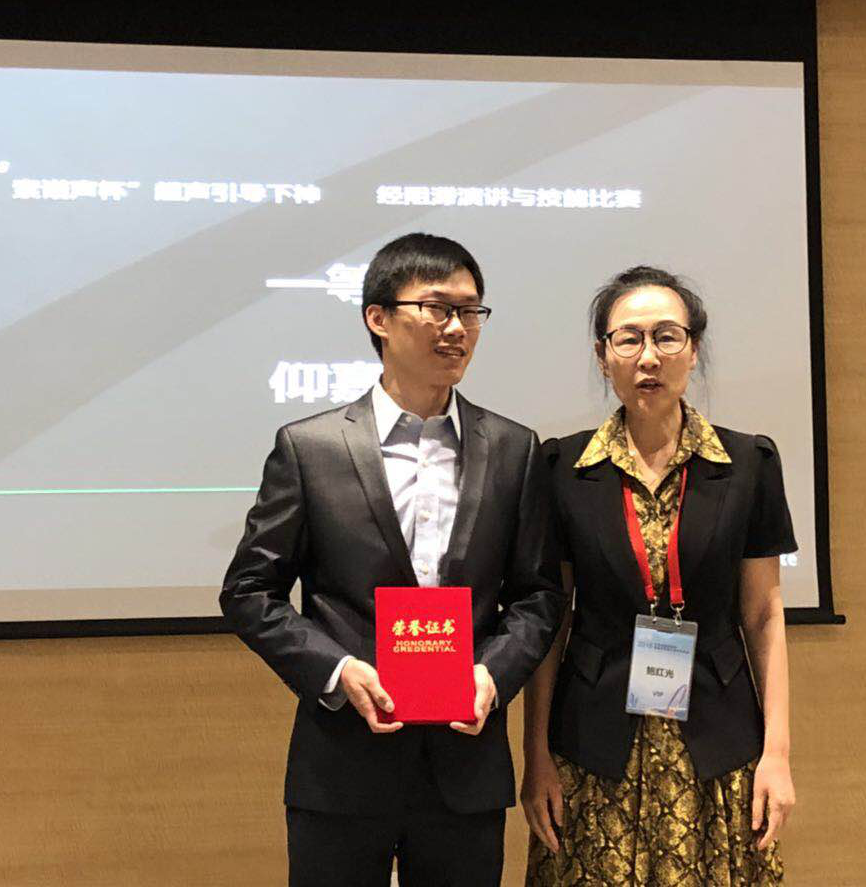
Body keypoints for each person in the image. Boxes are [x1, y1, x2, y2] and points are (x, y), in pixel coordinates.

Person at [221, 233, 566, 887]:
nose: (458, 328)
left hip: (466, 764)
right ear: (378, 318)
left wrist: (493, 675)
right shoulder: (311, 448)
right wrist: (336, 670)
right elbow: (249, 591)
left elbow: (538, 595)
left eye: (471, 311)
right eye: (437, 308)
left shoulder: (514, 448)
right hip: (342, 763)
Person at [522, 266, 797, 886]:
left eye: (667, 336)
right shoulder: (564, 467)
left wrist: (777, 753)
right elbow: (551, 620)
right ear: (603, 357)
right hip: (592, 747)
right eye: (629, 339)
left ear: (693, 350)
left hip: (719, 743)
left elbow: (763, 615)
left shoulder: (749, 463)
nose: (648, 357)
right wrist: (535, 757)